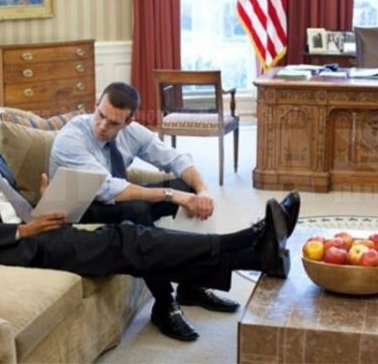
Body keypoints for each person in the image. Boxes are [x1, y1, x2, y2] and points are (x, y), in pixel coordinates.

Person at [0, 87, 300, 342]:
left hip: (41, 230)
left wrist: (42, 204)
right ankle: (247, 243)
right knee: (128, 235)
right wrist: (24, 231)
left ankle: (253, 255)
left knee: (135, 237)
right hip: (10, 249)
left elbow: (10, 202)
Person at [49, 82, 300, 314]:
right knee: (137, 211)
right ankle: (165, 301)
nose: (103, 126)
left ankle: (193, 287)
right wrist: (171, 195)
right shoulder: (71, 138)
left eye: (113, 122)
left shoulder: (132, 133)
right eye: (100, 115)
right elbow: (109, 189)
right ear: (96, 105)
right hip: (79, 211)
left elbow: (175, 159)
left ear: (128, 121)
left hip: (114, 201)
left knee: (186, 187)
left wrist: (202, 190)